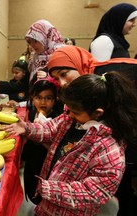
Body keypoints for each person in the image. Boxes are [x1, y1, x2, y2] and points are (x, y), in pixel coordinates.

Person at [5, 72, 137, 215]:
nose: (70, 115)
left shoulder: (110, 151)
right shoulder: (71, 119)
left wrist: (50, 189)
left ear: (97, 113)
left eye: (75, 112)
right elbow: (49, 129)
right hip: (48, 204)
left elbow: (93, 193)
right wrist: (26, 128)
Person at [46, 45, 137, 216]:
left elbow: (96, 190)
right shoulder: (86, 90)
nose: (63, 83)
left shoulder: (111, 78)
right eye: (57, 79)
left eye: (64, 74)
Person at [22, 77, 62, 206]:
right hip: (32, 161)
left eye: (48, 98)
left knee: (43, 197)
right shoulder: (34, 112)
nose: (43, 102)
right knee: (31, 188)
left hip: (46, 166)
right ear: (33, 98)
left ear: (55, 99)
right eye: (38, 97)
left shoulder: (58, 119)